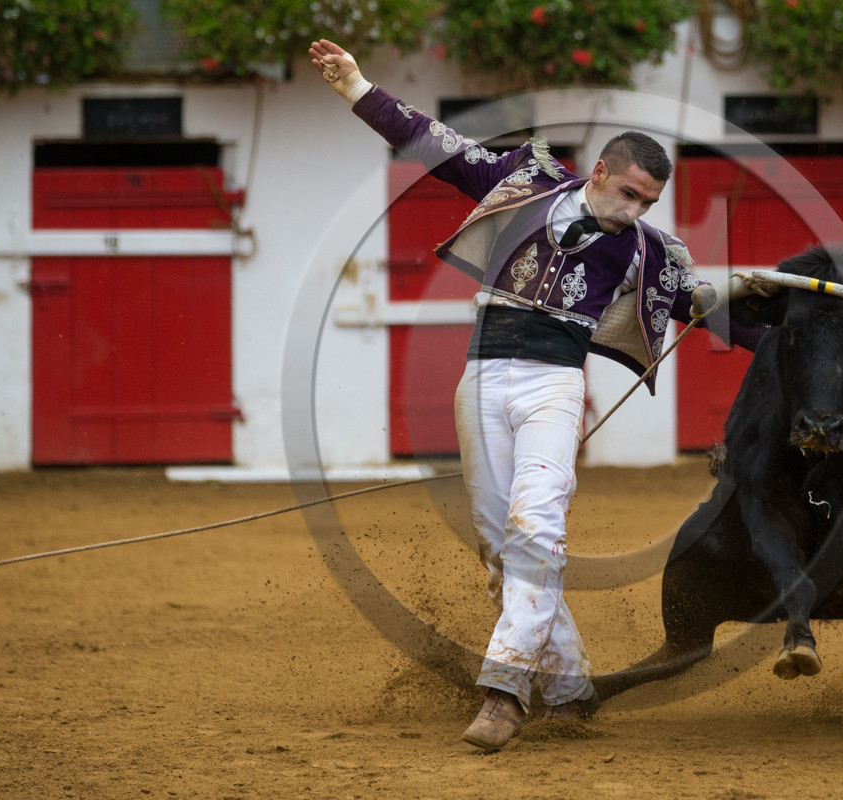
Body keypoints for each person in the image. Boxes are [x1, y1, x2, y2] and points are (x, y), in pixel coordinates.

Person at [308, 39, 759, 751]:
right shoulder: (525, 181)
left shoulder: (648, 252)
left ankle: (505, 689)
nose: (634, 211)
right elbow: (436, 146)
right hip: (481, 379)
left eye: (648, 203)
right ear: (600, 171)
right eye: (628, 194)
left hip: (554, 385)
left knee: (538, 530)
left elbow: (718, 315)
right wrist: (359, 87)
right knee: (500, 548)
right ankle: (572, 686)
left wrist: (795, 330)